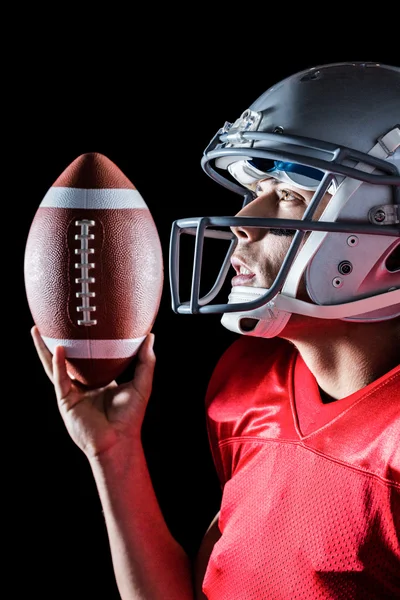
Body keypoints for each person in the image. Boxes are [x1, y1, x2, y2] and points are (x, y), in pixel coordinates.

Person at [31, 61, 399, 599]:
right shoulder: (248, 385)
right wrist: (114, 453)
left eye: (290, 195)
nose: (245, 220)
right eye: (251, 190)